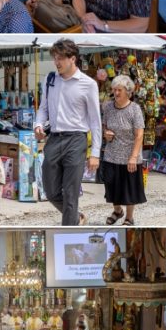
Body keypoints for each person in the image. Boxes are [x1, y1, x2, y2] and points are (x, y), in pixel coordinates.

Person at [34, 38, 101, 225]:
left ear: (73, 58)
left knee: (71, 194)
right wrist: (38, 125)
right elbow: (43, 108)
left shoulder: (88, 84)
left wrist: (95, 153)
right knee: (50, 191)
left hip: (76, 139)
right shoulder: (50, 80)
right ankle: (76, 217)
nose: (57, 62)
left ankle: (69, 229)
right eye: (55, 58)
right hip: (54, 139)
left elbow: (95, 120)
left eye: (61, 58)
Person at [101, 75, 146, 226]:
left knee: (129, 188)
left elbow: (139, 135)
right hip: (111, 154)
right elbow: (105, 126)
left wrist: (133, 157)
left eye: (119, 90)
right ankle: (117, 210)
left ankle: (129, 217)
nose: (116, 93)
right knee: (111, 185)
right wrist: (106, 133)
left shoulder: (135, 109)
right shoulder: (108, 107)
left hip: (129, 156)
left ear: (128, 91)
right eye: (114, 90)